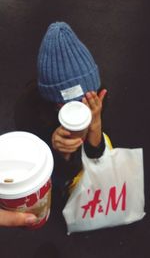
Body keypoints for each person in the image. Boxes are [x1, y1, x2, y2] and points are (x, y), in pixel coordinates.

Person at [15, 22, 110, 207]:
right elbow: (38, 172)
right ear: (50, 102)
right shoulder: (29, 110)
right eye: (64, 106)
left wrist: (95, 125)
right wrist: (59, 153)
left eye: (83, 101)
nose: (76, 111)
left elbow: (97, 156)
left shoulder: (97, 97)